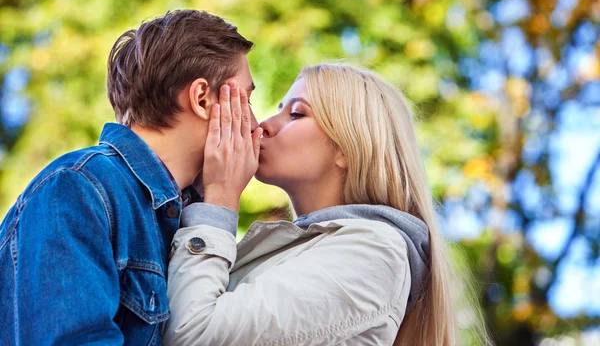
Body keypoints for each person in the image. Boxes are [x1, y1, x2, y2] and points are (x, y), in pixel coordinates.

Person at [163, 64, 490, 346]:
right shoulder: (312, 248)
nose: (262, 125)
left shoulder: (375, 252)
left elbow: (193, 334)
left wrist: (220, 196)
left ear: (348, 147)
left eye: (295, 113)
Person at [0, 9, 262, 345]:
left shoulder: (186, 213)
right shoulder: (80, 188)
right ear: (202, 99)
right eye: (247, 98)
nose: (256, 123)